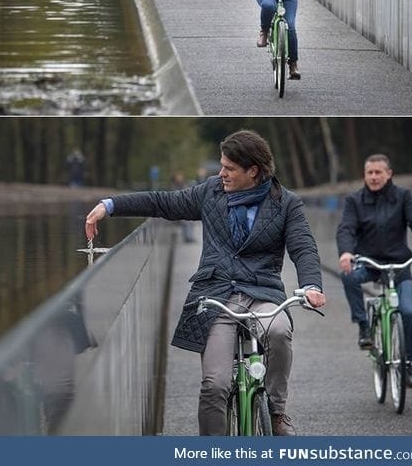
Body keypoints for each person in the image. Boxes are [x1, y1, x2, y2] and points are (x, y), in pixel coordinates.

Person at [85, 129, 326, 436]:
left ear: (253, 171)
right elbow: (163, 203)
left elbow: (303, 247)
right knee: (215, 385)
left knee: (279, 332)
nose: (221, 173)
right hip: (215, 296)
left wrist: (312, 286)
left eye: (229, 168)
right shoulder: (210, 193)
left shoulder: (287, 204)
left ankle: (277, 413)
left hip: (263, 293)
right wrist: (110, 205)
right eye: (221, 165)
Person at [336, 153, 412, 388]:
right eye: (370, 172)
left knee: (408, 313)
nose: (374, 177)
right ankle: (363, 327)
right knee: (348, 276)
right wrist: (346, 252)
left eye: (379, 172)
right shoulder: (354, 201)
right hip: (368, 263)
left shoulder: (403, 197)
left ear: (389, 174)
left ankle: (406, 364)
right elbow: (346, 228)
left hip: (398, 266)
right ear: (364, 175)